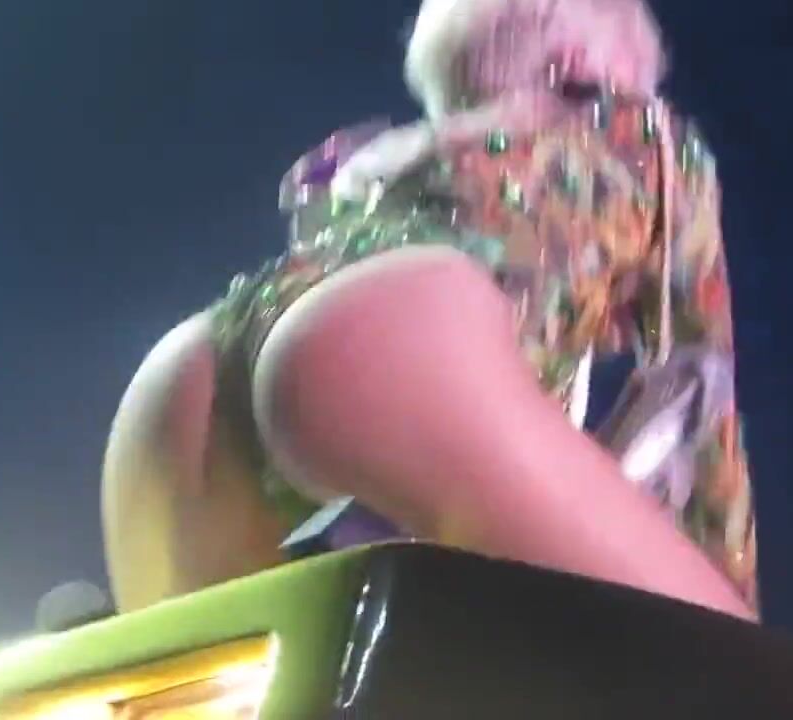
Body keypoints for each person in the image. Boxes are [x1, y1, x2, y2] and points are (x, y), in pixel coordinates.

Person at [101, 0, 758, 622]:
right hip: (391, 345)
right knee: (715, 647)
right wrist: (745, 627)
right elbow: (702, 386)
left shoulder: (391, 167)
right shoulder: (647, 134)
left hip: (193, 369)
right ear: (584, 61)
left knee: (208, 684)